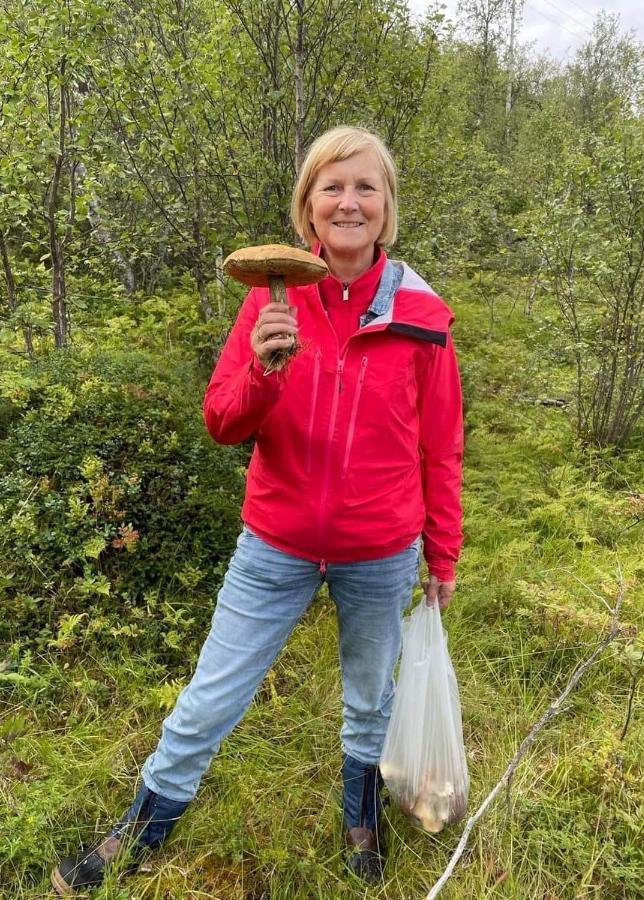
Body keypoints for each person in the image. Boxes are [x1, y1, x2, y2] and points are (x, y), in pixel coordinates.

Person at [51, 125, 464, 894]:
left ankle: (360, 819)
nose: (348, 201)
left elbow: (440, 444)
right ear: (307, 206)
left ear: (387, 206)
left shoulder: (422, 314)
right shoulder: (269, 303)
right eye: (330, 187)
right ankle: (141, 830)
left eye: (365, 187)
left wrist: (441, 555)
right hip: (273, 543)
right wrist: (265, 371)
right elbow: (221, 422)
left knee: (370, 696)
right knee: (211, 694)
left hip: (379, 548)